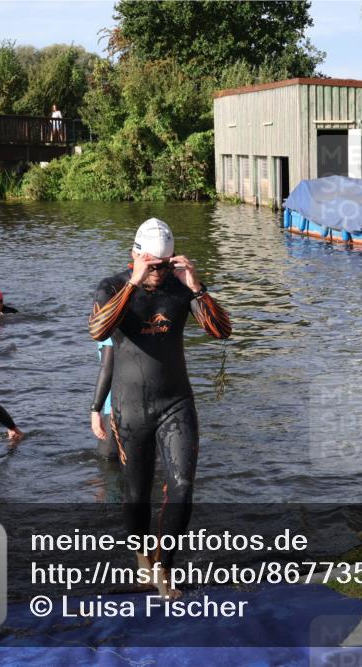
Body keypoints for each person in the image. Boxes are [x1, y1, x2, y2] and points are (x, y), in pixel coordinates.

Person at [88, 218, 231, 598]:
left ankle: (165, 568)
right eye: (152, 265)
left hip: (176, 402)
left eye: (165, 265)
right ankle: (141, 560)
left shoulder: (180, 287)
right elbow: (98, 331)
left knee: (183, 488)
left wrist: (196, 288)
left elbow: (222, 332)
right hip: (129, 407)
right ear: (136, 255)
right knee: (136, 493)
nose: (158, 273)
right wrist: (134, 281)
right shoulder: (114, 286)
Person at [90, 338, 119, 461]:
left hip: (117, 406)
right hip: (152, 404)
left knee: (107, 460)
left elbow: (108, 368)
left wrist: (95, 410)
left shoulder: (112, 326)